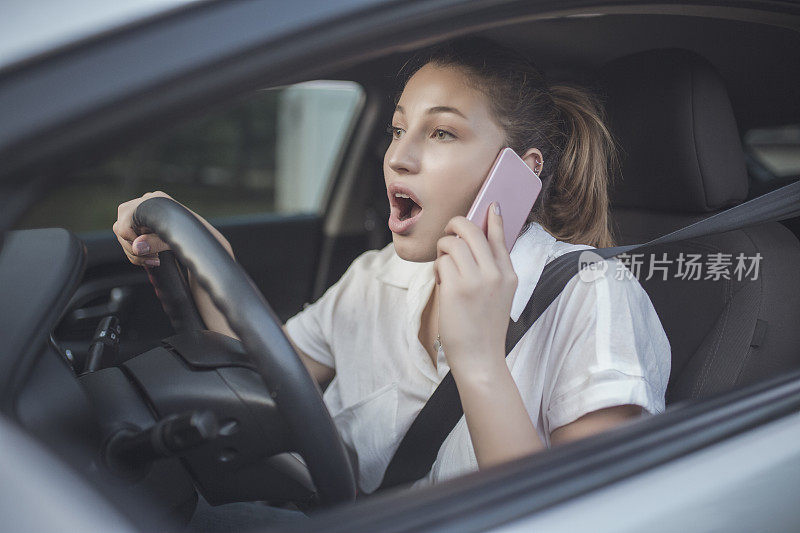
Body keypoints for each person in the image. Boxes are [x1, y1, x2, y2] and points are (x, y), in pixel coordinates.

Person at [113, 36, 670, 515]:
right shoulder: (374, 277)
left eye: (442, 133)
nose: (398, 157)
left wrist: (478, 359)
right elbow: (263, 389)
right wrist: (212, 265)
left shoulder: (595, 296)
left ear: (519, 173)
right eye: (398, 129)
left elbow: (585, 516)